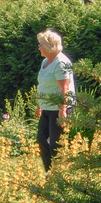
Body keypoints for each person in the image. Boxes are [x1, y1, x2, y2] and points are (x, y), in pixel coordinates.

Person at [35, 29, 75, 172]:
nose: (39, 47)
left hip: (59, 109)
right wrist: (40, 105)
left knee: (56, 144)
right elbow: (43, 85)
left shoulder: (61, 63)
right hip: (47, 108)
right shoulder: (45, 62)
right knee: (41, 140)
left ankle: (60, 175)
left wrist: (63, 109)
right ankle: (49, 172)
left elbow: (65, 88)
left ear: (49, 46)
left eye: (40, 45)